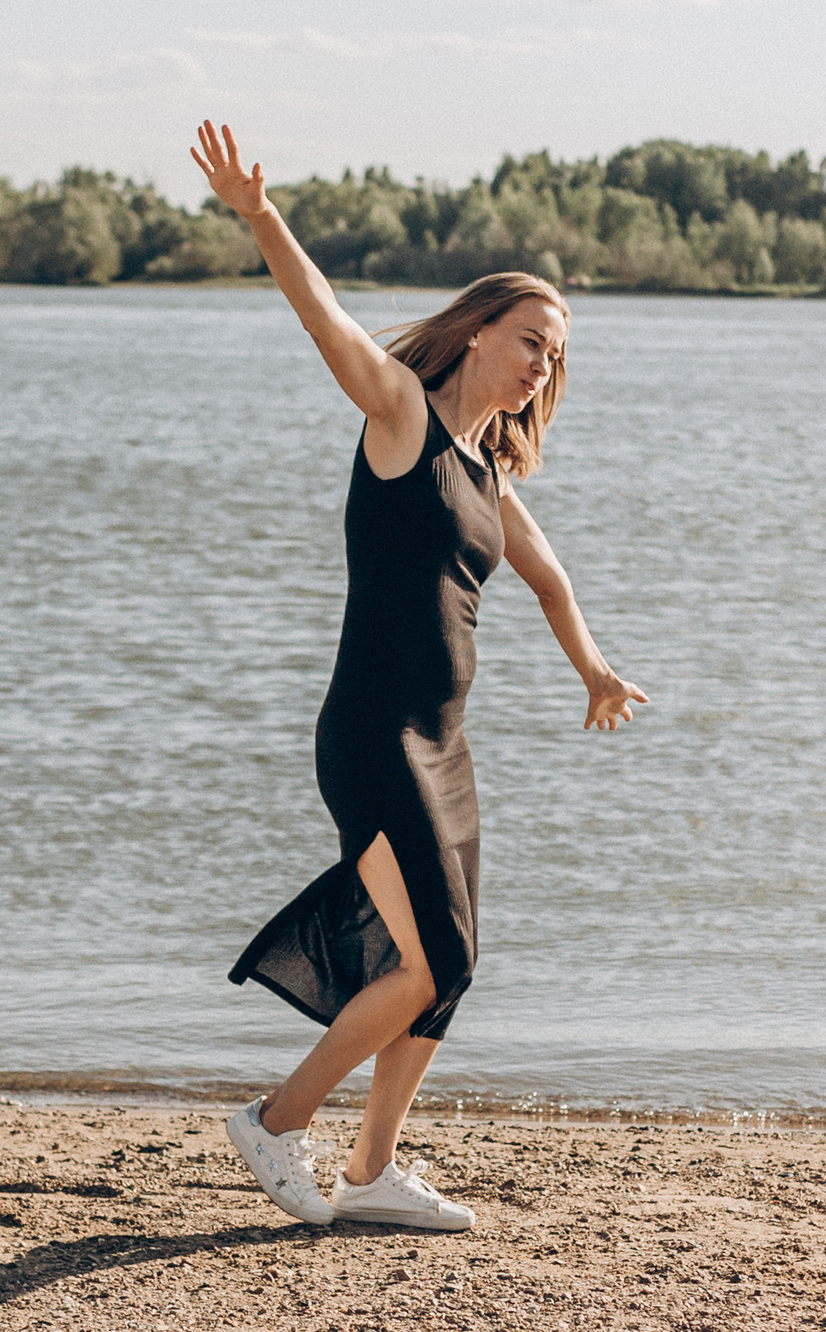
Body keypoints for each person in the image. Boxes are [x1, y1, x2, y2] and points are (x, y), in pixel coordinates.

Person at [192, 119, 646, 1234]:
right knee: (426, 954)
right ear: (479, 332)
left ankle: (372, 1172)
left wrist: (592, 669)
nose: (546, 360)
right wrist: (261, 216)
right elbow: (326, 322)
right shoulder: (400, 416)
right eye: (532, 337)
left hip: (443, 746)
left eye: (558, 351)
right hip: (375, 733)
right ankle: (277, 1121)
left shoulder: (489, 472)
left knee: (452, 968)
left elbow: (549, 578)